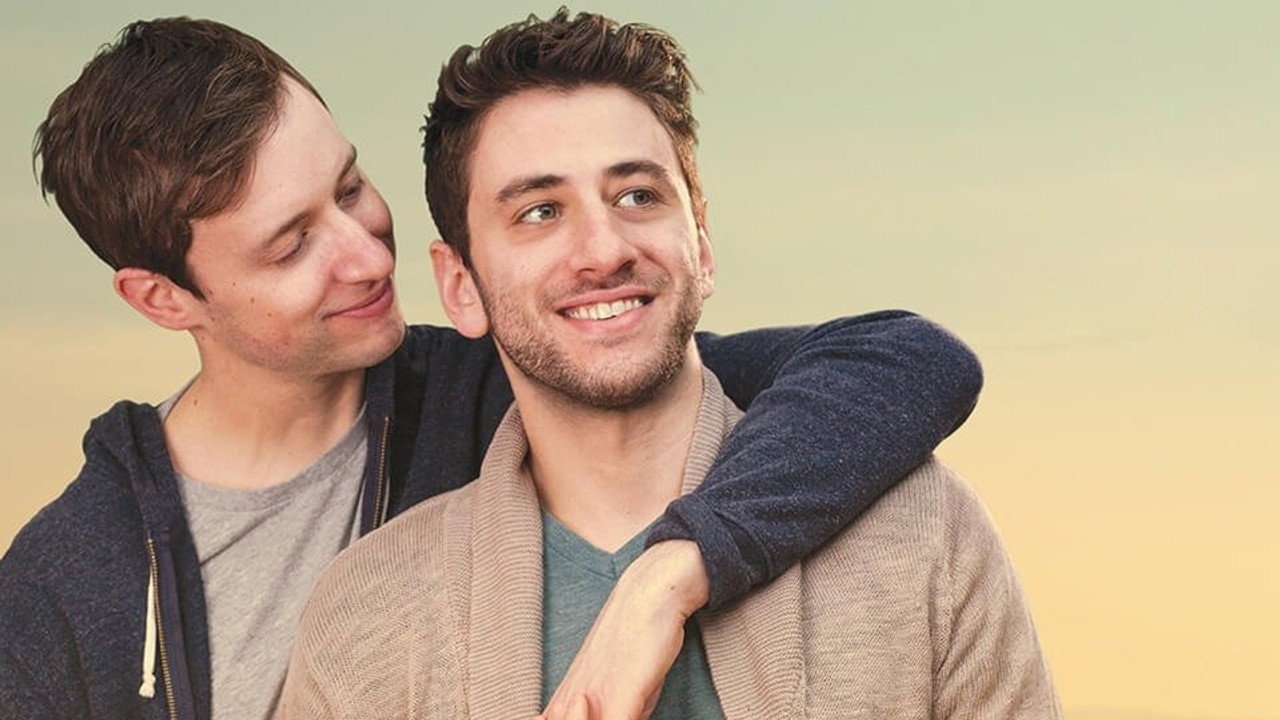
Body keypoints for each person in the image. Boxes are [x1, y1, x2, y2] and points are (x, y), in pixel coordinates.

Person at [0, 16, 983, 720]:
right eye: (292, 244)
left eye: (350, 186)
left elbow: (900, 362)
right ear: (162, 299)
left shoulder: (512, 377)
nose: (367, 256)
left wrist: (668, 575)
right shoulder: (57, 593)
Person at [277, 9, 1059, 720]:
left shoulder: (921, 533)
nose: (604, 249)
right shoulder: (366, 614)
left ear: (703, 244)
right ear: (460, 286)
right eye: (539, 212)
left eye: (638, 196)